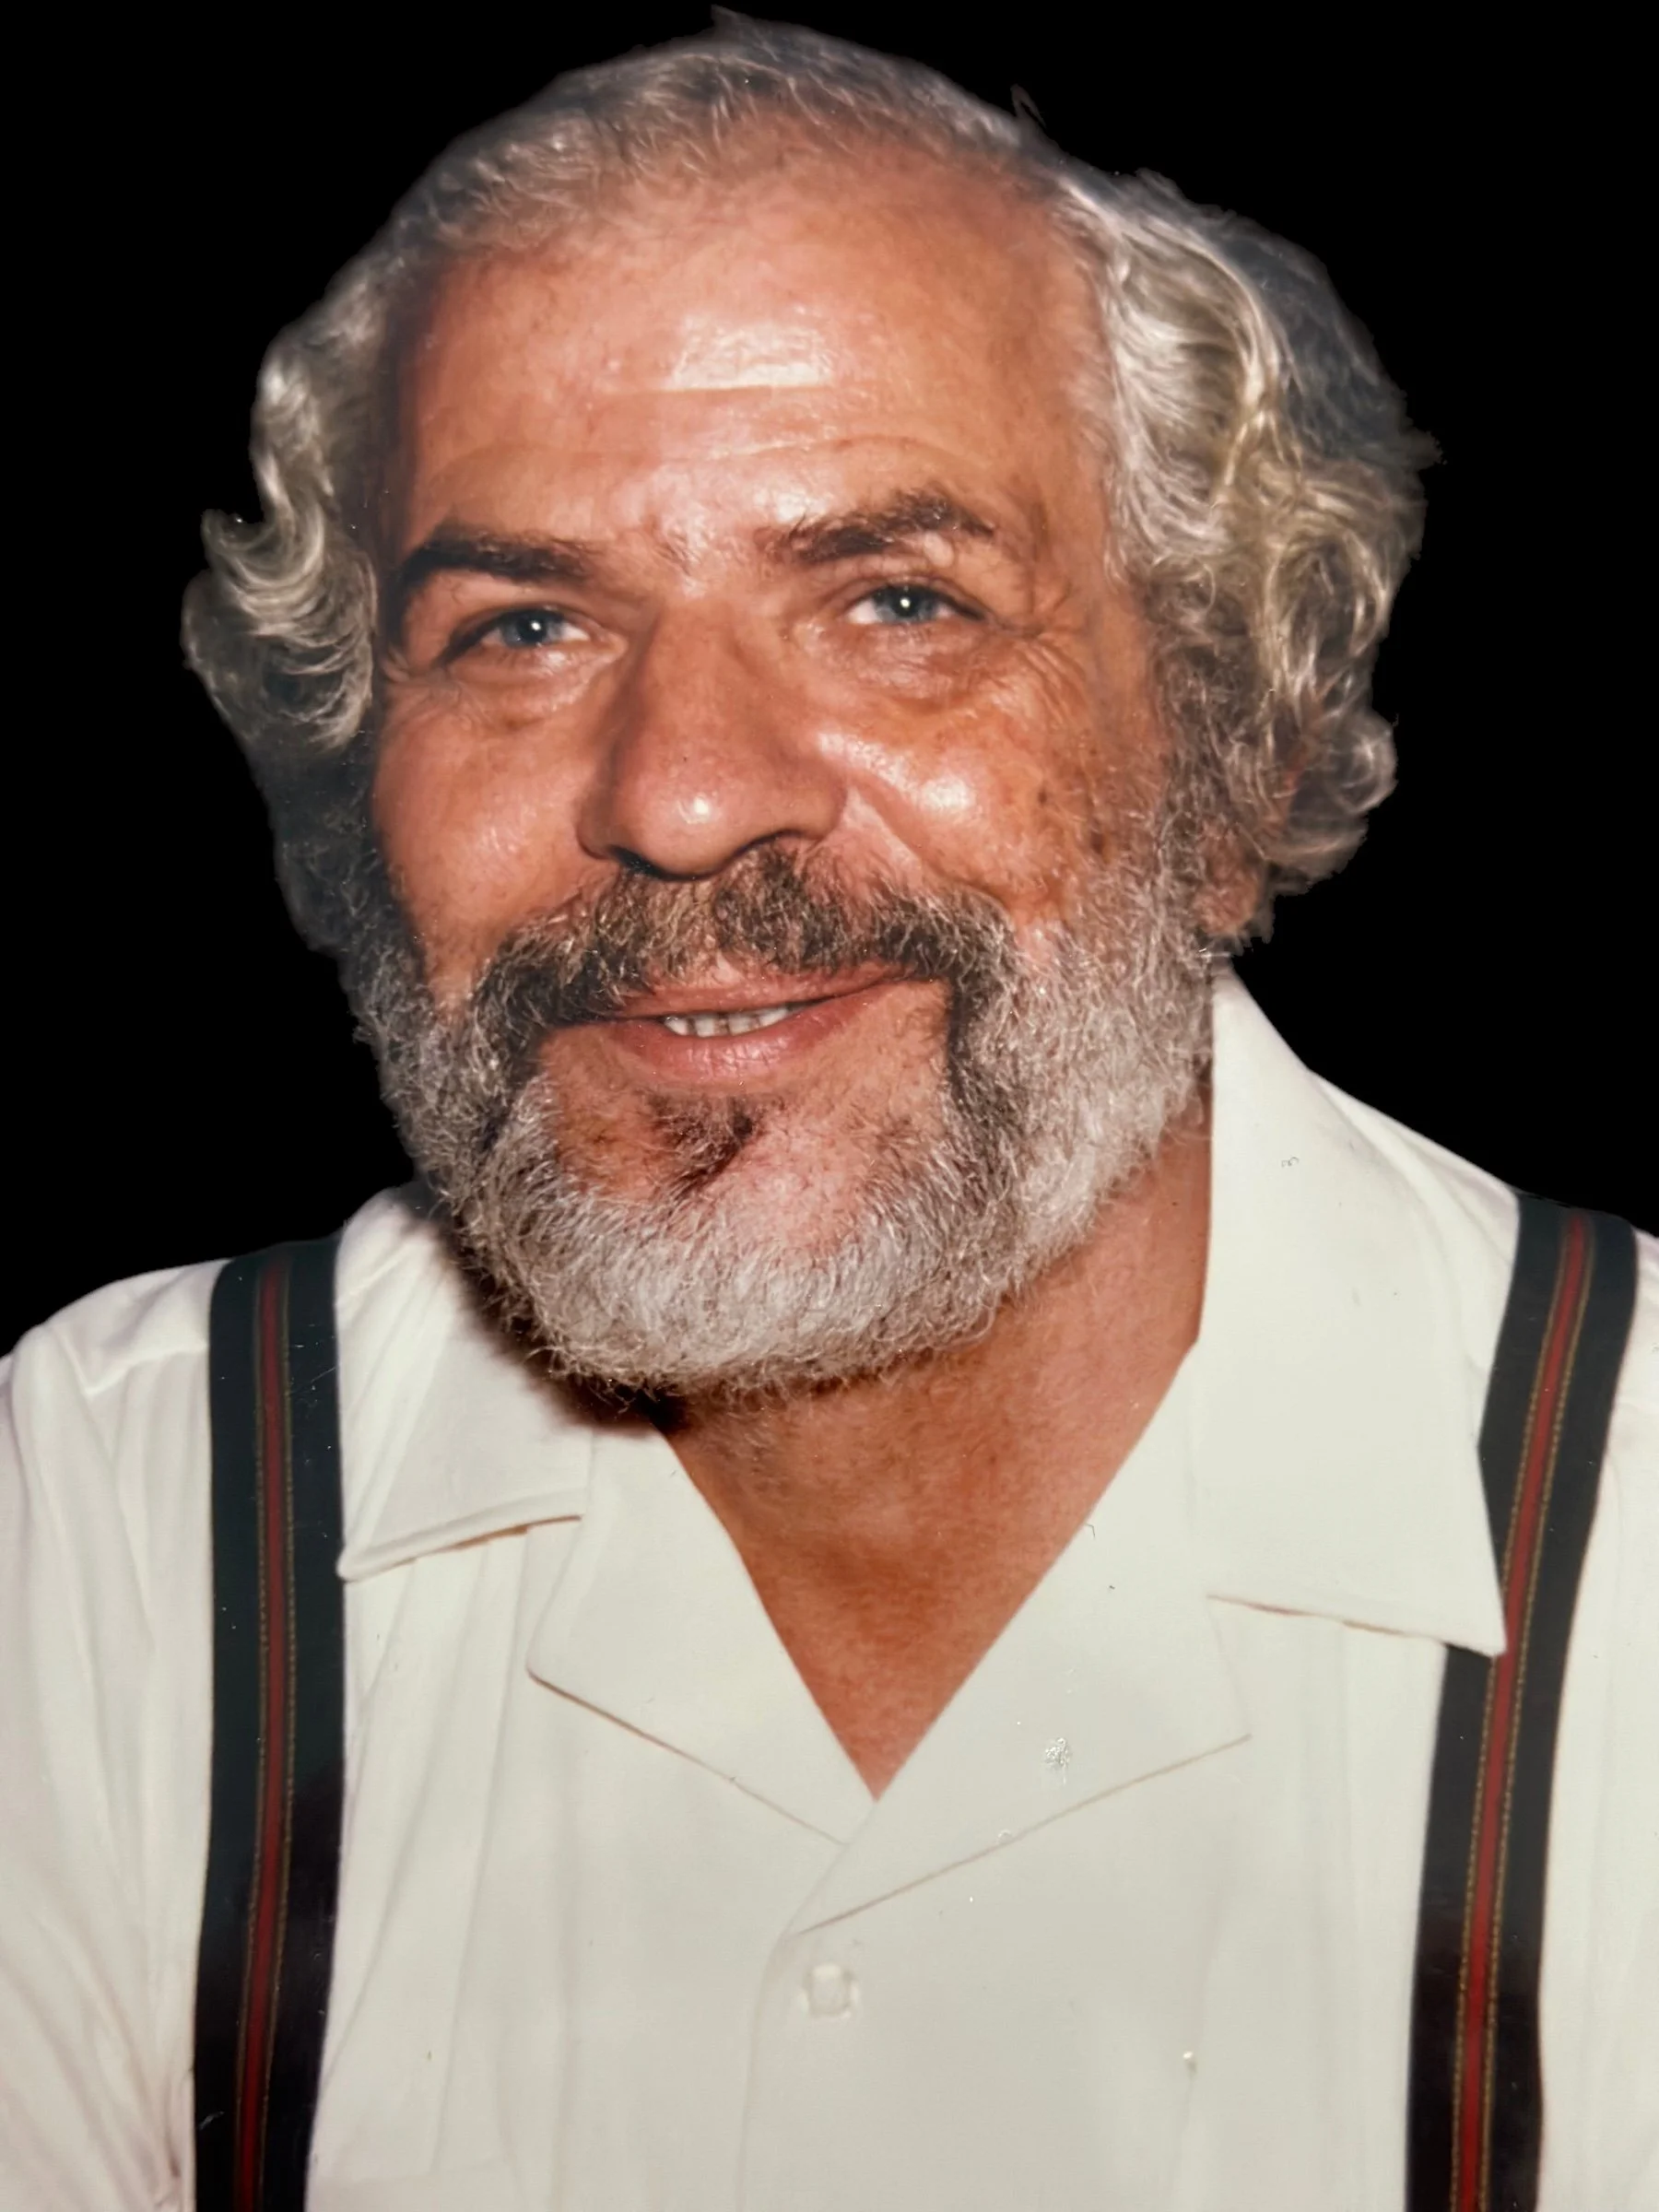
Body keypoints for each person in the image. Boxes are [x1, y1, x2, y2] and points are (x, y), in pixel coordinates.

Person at [2, 22, 1653, 2211]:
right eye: (522, 626)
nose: (682, 796)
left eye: (897, 603)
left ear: (1236, 738)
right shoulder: (105, 1529)